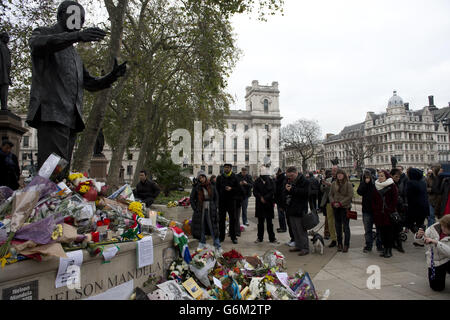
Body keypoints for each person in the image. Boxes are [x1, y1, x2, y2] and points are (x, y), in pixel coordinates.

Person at [26, 1, 127, 174]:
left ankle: (56, 200)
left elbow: (90, 83)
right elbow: (38, 44)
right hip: (51, 114)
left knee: (61, 173)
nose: (78, 22)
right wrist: (77, 36)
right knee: (52, 174)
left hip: (70, 119)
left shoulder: (74, 55)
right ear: (60, 16)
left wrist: (112, 76)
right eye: (75, 17)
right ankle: (47, 200)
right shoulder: (44, 33)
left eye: (81, 19)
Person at [414, 215, 450, 292]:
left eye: (445, 227)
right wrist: (419, 236)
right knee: (437, 287)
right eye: (442, 226)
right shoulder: (433, 228)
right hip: (436, 261)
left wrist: (436, 242)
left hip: (447, 259)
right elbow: (422, 242)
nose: (443, 228)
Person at [190, 171, 222, 252]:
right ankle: (202, 244)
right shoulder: (196, 187)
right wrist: (195, 208)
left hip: (211, 209)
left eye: (202, 177)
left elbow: (216, 197)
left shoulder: (211, 186)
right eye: (199, 178)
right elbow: (192, 199)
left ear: (205, 177)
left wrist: (215, 206)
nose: (201, 179)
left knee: (213, 228)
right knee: (202, 227)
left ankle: (217, 245)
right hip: (201, 209)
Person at [282, 166, 310, 256]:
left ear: (295, 173)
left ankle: (305, 247)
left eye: (291, 176)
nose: (289, 178)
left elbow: (305, 193)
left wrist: (292, 189)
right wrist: (286, 189)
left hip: (300, 209)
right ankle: (298, 245)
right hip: (291, 208)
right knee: (294, 229)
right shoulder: (290, 181)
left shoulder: (304, 181)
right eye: (288, 176)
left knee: (301, 229)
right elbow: (286, 193)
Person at [372, 170, 398, 258]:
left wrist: (390, 209)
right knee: (382, 233)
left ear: (386, 177)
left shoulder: (392, 185)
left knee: (388, 233)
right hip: (379, 214)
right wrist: (376, 210)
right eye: (379, 176)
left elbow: (394, 200)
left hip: (388, 214)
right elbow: (374, 200)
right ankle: (384, 249)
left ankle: (389, 250)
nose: (380, 177)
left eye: (382, 176)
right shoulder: (376, 186)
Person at [329, 169, 353, 253]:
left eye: (341, 174)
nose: (339, 175)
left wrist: (340, 203)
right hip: (336, 207)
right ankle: (339, 243)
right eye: (338, 174)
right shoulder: (333, 184)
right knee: (337, 226)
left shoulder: (348, 184)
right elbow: (331, 195)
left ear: (344, 175)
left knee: (346, 226)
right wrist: (333, 202)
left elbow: (350, 196)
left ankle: (346, 244)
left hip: (345, 207)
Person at [357, 168, 381, 253]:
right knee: (367, 229)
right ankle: (368, 245)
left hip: (376, 209)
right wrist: (365, 183)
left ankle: (379, 245)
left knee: (379, 229)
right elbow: (359, 192)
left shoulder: (377, 182)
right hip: (367, 209)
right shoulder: (364, 182)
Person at [216, 164, 240, 244]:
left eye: (228, 167)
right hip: (222, 202)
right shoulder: (220, 177)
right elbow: (217, 189)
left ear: (231, 168)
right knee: (221, 220)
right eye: (225, 167)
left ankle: (233, 237)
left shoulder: (235, 177)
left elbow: (238, 189)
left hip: (231, 201)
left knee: (232, 219)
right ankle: (221, 237)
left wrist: (231, 189)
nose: (227, 169)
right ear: (223, 168)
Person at [253, 170, 277, 243]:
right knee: (260, 222)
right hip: (260, 204)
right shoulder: (257, 181)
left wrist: (266, 198)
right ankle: (260, 238)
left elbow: (273, 191)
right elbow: (255, 192)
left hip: (268, 204)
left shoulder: (270, 180)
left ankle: (272, 238)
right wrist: (260, 197)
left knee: (269, 222)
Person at [406, 168, 430, 238]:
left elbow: (408, 195)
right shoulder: (423, 182)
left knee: (409, 223)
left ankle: (420, 236)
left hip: (415, 207)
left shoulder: (410, 183)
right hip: (424, 207)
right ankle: (421, 239)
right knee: (420, 223)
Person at [390, 168, 406, 253]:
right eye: (396, 176)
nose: (398, 178)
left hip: (399, 209)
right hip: (394, 209)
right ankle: (397, 245)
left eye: (399, 177)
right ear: (391, 176)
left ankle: (397, 244)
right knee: (395, 228)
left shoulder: (398, 184)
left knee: (397, 229)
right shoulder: (391, 185)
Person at [321, 168, 338, 247]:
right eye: (332, 171)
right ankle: (333, 239)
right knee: (330, 222)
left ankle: (339, 238)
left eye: (334, 171)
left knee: (338, 222)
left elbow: (339, 189)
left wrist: (330, 185)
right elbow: (322, 189)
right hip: (328, 203)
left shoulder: (341, 179)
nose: (333, 173)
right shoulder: (328, 179)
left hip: (338, 203)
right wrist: (324, 184)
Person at [0, 32, 12, 111]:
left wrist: (8, 76)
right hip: (1, 71)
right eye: (6, 37)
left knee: (4, 90)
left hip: (5, 74)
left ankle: (4, 107)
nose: (8, 39)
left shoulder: (7, 48)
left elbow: (8, 64)